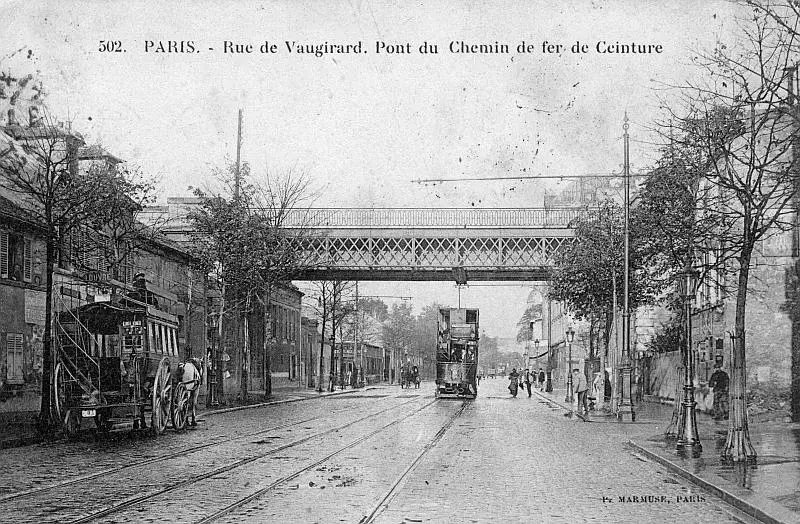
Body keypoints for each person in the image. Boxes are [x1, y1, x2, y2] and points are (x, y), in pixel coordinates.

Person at [708, 356, 730, 420]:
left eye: (718, 368)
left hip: (720, 390)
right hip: (721, 390)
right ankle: (723, 415)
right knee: (721, 403)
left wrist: (712, 386)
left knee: (721, 403)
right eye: (716, 368)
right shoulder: (723, 374)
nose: (717, 369)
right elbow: (711, 382)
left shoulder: (717, 374)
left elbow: (711, 382)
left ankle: (722, 415)